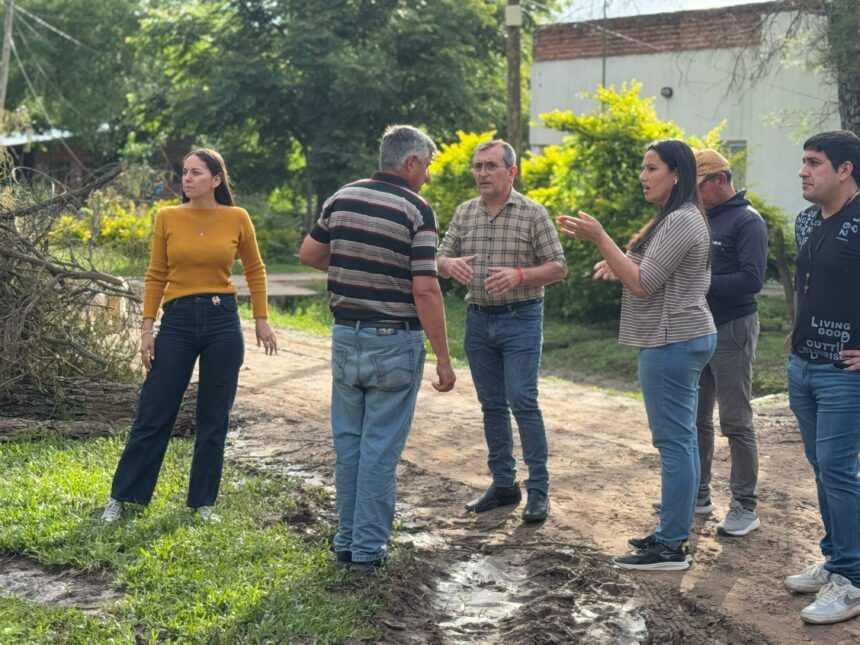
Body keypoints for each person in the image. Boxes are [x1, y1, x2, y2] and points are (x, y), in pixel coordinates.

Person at [299, 125, 455, 574]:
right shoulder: (417, 209)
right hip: (394, 340)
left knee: (349, 446)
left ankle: (346, 541)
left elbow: (310, 254)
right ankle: (367, 551)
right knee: (380, 449)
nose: (426, 175)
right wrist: (443, 358)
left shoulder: (342, 197)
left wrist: (350, 259)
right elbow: (426, 289)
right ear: (409, 163)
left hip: (347, 335)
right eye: (425, 165)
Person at [558, 139, 716, 570]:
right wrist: (615, 260)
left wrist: (600, 238)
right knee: (677, 440)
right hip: (676, 337)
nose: (643, 176)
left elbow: (644, 283)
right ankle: (670, 534)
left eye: (652, 168)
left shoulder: (683, 220)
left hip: (673, 340)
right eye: (642, 168)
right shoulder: (674, 217)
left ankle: (671, 546)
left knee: (675, 442)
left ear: (677, 173)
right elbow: (643, 271)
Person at [101, 148, 278, 523]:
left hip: (222, 321)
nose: (187, 178)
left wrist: (261, 319)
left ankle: (202, 504)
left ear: (216, 180)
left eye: (196, 173)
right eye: (184, 172)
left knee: (214, 418)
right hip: (177, 321)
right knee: (154, 412)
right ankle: (124, 498)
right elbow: (155, 274)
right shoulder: (167, 217)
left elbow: (256, 270)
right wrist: (147, 328)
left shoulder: (237, 217)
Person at [437, 139, 566, 523]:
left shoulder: (533, 213)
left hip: (521, 317)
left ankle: (538, 491)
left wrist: (521, 275)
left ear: (511, 172)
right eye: (477, 167)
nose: (482, 174)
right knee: (491, 405)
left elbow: (559, 267)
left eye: (490, 166)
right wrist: (449, 265)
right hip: (478, 318)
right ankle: (504, 484)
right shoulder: (464, 213)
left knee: (522, 401)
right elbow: (439, 257)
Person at [783, 130, 860, 625]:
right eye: (803, 161)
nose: (803, 171)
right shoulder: (808, 219)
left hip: (843, 371)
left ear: (845, 169)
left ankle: (851, 579)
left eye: (814, 163)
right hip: (803, 364)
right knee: (820, 464)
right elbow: (808, 283)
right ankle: (836, 558)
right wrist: (796, 328)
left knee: (836, 466)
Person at [688, 149, 767, 536]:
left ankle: (744, 506)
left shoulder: (747, 221)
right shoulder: (702, 216)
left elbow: (753, 280)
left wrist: (701, 283)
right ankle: (699, 493)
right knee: (697, 417)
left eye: (699, 185)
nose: (695, 193)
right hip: (699, 328)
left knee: (734, 419)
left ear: (720, 179)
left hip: (732, 327)